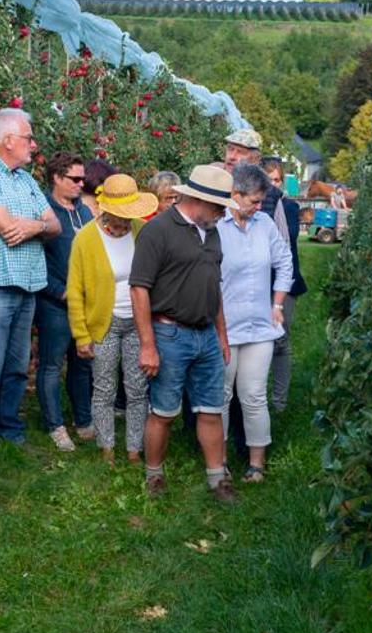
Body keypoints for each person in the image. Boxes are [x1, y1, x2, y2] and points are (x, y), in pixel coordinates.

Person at [132, 164, 236, 502]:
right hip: (169, 334)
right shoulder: (158, 231)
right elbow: (139, 288)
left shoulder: (211, 231)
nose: (223, 214)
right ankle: (154, 476)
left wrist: (221, 335)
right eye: (220, 206)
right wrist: (147, 345)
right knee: (163, 412)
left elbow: (213, 286)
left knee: (211, 409)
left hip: (206, 335)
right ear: (200, 200)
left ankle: (218, 479)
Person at [0, 108, 61, 449]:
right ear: (8, 140)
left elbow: (55, 226)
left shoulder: (26, 179)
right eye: (28, 138)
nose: (33, 145)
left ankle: (9, 428)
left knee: (19, 365)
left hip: (28, 284)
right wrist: (38, 224)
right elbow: (8, 230)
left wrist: (33, 226)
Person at [66, 173, 155, 464]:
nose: (125, 221)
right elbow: (75, 290)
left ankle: (134, 449)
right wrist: (81, 335)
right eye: (120, 214)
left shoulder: (142, 231)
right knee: (104, 388)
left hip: (139, 322)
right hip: (103, 323)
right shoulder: (86, 238)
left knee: (137, 388)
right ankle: (106, 448)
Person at [216, 164, 293, 481]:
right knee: (221, 397)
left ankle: (256, 464)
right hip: (224, 328)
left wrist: (277, 302)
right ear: (235, 195)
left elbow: (284, 261)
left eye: (263, 201)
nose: (260, 207)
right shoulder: (216, 226)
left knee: (254, 395)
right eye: (255, 201)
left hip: (260, 326)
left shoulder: (264, 225)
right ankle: (219, 462)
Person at [224, 131, 307, 416]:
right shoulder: (221, 190)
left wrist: (276, 301)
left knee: (277, 345)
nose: (232, 156)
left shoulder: (274, 204)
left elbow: (283, 249)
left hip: (268, 285)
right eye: (230, 149)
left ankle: (276, 403)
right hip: (234, 292)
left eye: (240, 151)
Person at [34, 152, 94, 450]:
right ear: (57, 178)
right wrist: (60, 291)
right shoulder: (44, 213)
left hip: (84, 303)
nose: (81, 184)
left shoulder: (85, 212)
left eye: (83, 179)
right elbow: (36, 259)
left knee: (82, 363)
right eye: (75, 179)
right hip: (55, 304)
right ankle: (55, 425)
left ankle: (83, 420)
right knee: (52, 364)